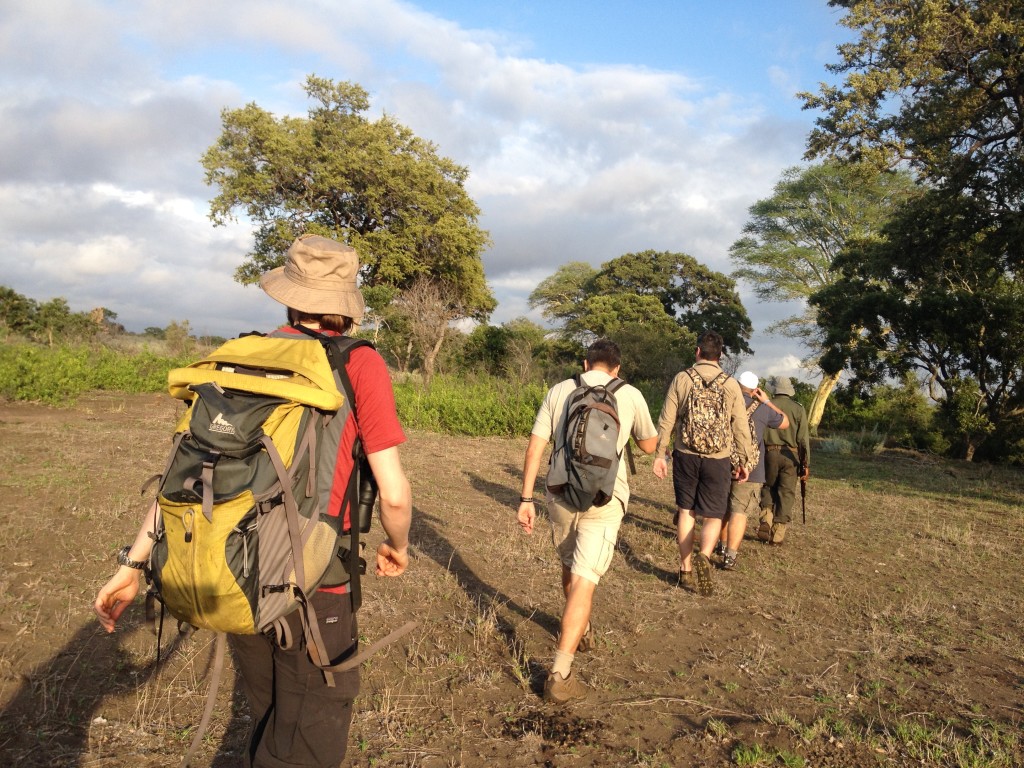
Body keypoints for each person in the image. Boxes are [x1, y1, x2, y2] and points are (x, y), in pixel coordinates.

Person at [94, 234, 413, 768]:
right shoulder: (360, 364)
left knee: (266, 711)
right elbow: (395, 495)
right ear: (345, 304)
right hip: (315, 579)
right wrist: (397, 546)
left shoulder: (242, 357)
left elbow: (185, 474)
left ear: (287, 296)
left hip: (238, 569)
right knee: (309, 732)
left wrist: (134, 561)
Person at [516, 339, 657, 704]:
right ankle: (560, 675)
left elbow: (536, 446)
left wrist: (525, 498)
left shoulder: (560, 390)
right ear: (617, 368)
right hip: (606, 499)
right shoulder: (630, 394)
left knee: (569, 567)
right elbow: (649, 445)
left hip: (560, 492)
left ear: (585, 362)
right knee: (585, 581)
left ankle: (583, 628)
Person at [652, 330, 754, 597]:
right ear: (720, 355)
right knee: (714, 515)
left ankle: (685, 569)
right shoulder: (731, 385)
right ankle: (705, 557)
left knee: (686, 511)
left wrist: (660, 454)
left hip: (685, 454)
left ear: (697, 352)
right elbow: (741, 426)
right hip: (718, 459)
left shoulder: (682, 378)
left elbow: (667, 419)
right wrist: (743, 460)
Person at [713, 371, 788, 570]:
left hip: (722, 463)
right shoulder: (763, 410)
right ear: (755, 390)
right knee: (739, 512)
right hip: (751, 468)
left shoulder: (725, 403)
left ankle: (720, 545)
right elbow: (785, 421)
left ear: (736, 385)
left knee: (722, 509)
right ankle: (730, 556)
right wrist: (766, 401)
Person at [758, 375, 810, 547]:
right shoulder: (798, 409)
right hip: (791, 456)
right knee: (786, 493)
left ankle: (766, 517)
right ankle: (777, 534)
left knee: (768, 485)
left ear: (774, 390)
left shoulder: (765, 404)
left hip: (769, 452)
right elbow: (803, 440)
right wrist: (805, 464)